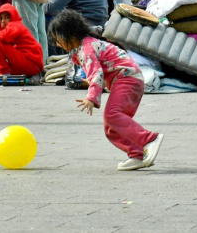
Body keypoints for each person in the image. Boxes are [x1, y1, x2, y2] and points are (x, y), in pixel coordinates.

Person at [48, 9, 164, 171]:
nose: (57, 43)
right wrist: (93, 84)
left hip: (126, 79)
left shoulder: (86, 50)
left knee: (112, 115)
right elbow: (102, 71)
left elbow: (97, 74)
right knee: (112, 126)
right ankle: (136, 153)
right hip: (131, 79)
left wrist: (91, 97)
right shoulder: (88, 44)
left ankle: (149, 139)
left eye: (58, 39)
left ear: (69, 35)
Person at [0, 4, 44, 80]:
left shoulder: (15, 25)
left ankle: (3, 72)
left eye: (7, 17)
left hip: (28, 61)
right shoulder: (16, 28)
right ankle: (3, 72)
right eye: (1, 18)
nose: (3, 21)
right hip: (31, 65)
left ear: (13, 16)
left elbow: (4, 35)